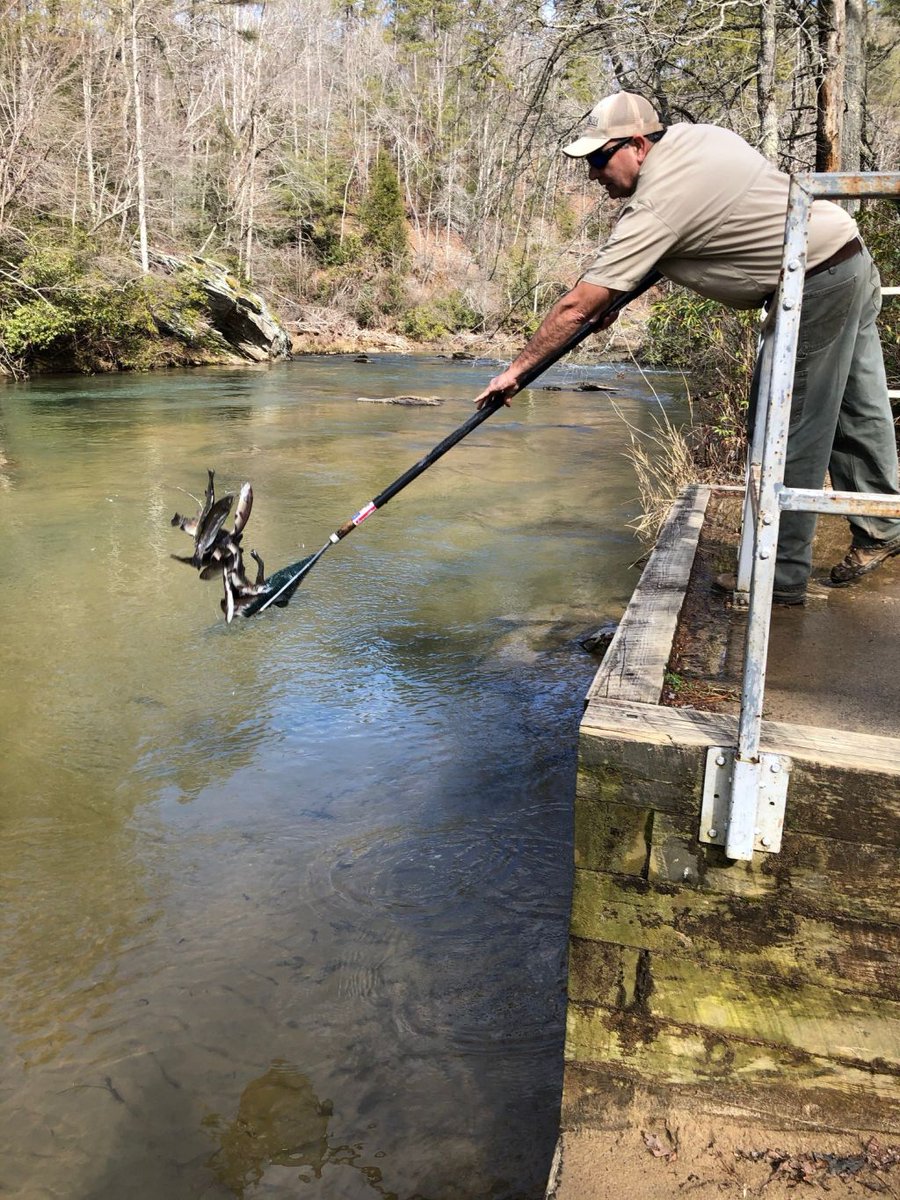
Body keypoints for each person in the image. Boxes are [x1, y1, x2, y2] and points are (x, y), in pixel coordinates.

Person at [475, 91, 900, 605]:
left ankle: (778, 575)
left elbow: (575, 308)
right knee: (861, 408)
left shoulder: (656, 202)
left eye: (597, 158)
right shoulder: (699, 139)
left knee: (785, 424)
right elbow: (704, 225)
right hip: (848, 257)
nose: (592, 173)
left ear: (636, 144)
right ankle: (883, 528)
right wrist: (621, 293)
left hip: (812, 282)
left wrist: (516, 372)